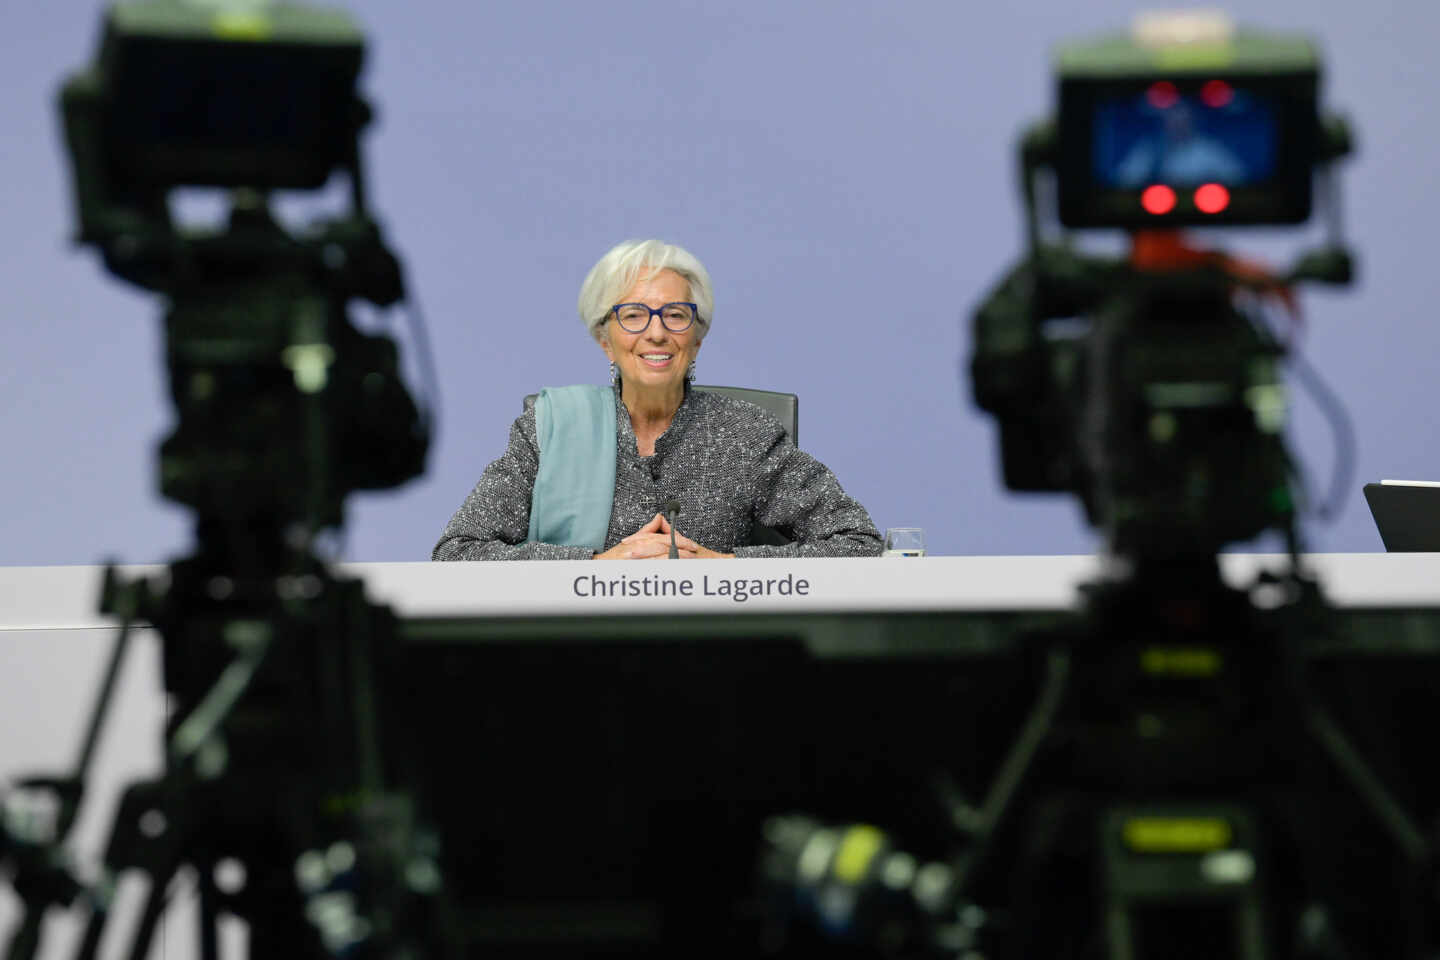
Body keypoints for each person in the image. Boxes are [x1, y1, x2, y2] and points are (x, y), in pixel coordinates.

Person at [432, 239, 883, 561]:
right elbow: (459, 552)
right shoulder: (548, 429)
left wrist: (725, 570)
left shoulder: (745, 434)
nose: (656, 332)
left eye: (675, 314)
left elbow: (858, 544)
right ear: (604, 340)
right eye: (632, 315)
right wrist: (593, 567)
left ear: (698, 338)